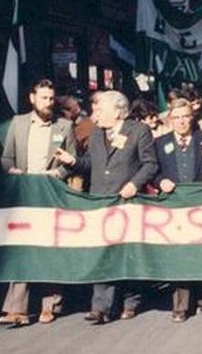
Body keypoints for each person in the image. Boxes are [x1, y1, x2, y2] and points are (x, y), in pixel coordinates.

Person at [54, 90, 158, 323]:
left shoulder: (139, 131)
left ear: (117, 111)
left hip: (128, 201)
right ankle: (101, 307)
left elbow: (150, 164)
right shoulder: (95, 133)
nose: (94, 114)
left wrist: (134, 183)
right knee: (103, 254)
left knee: (127, 253)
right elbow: (91, 163)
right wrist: (73, 161)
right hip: (101, 201)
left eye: (99, 110)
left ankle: (131, 300)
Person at [0, 79, 78, 325]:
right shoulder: (19, 123)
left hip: (50, 193)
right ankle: (16, 308)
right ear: (32, 98)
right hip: (24, 194)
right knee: (22, 248)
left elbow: (72, 159)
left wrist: (59, 174)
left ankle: (50, 304)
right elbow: (6, 157)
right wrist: (11, 170)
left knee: (48, 248)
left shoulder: (64, 126)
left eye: (51, 98)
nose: (48, 103)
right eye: (43, 98)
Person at [153, 99, 202, 321]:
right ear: (170, 119)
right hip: (175, 205)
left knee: (200, 252)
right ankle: (180, 306)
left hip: (200, 204)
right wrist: (160, 181)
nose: (181, 121)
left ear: (192, 117)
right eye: (177, 117)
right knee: (179, 254)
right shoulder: (160, 143)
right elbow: (154, 170)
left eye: (185, 116)